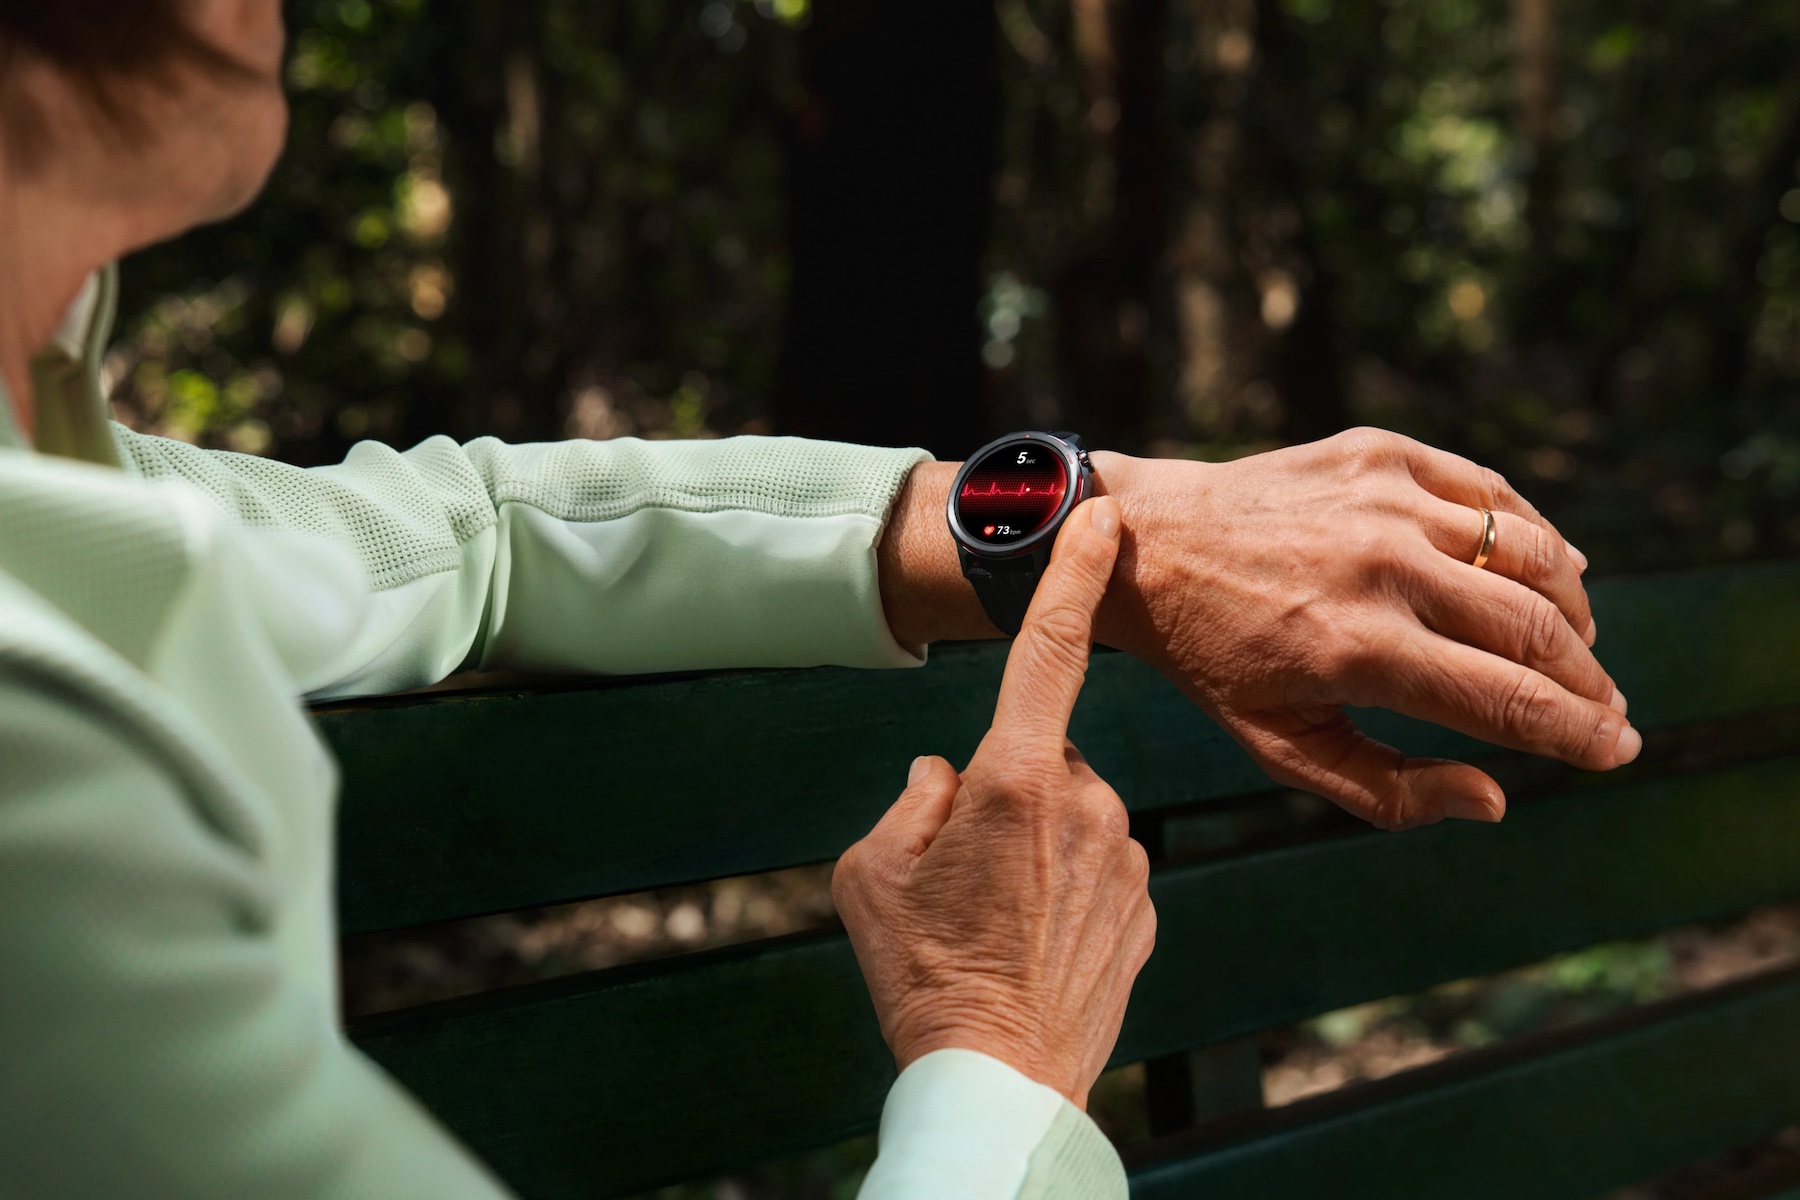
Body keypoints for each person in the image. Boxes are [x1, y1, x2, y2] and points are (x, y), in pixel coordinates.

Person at [0, 1, 1639, 1197]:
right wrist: (1001, 1065)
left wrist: (1103, 524)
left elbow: (469, 535)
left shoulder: (56, 478)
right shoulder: (39, 774)